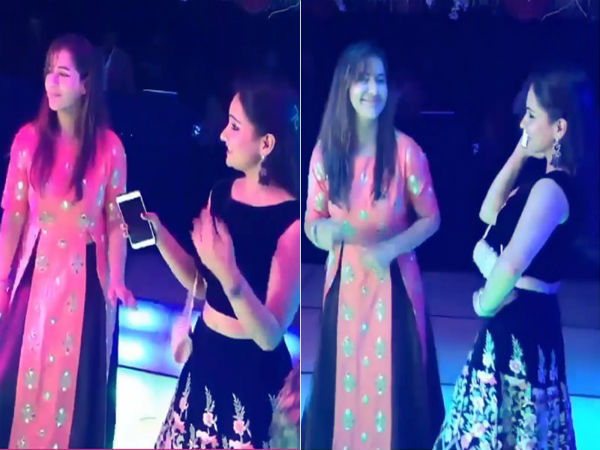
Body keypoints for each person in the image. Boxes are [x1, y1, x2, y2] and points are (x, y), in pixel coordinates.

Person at [433, 65, 598, 449]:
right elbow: (489, 212)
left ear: (559, 128)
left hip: (519, 328)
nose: (522, 122)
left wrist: (483, 302)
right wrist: (521, 151)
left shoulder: (552, 190)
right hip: (522, 326)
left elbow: (512, 264)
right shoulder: (541, 185)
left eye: (532, 115)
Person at [301, 41, 444, 450]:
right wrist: (323, 233)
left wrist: (391, 248)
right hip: (343, 286)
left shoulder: (406, 151)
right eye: (363, 80)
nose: (373, 90)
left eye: (380, 80)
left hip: (394, 286)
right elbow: (311, 219)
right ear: (344, 87)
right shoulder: (325, 153)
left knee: (395, 391)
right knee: (341, 384)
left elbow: (432, 218)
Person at [148, 79, 300, 449]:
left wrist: (230, 275)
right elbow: (202, 285)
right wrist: (159, 235)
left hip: (251, 373)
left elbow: (270, 335)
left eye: (234, 126)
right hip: (205, 355)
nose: (222, 135)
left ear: (266, 144)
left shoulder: (292, 222)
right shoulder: (221, 193)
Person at [0, 33, 135, 449]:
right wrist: (2, 276)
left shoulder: (110, 149)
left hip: (86, 283)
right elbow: (14, 216)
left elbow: (117, 221)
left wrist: (117, 278)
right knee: (16, 372)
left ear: (86, 83)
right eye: (48, 72)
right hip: (34, 275)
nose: (52, 83)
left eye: (63, 73)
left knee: (77, 389)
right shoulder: (28, 141)